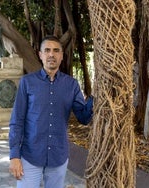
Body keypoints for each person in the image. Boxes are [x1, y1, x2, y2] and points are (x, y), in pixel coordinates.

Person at [9, 35, 93, 188]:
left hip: (58, 157)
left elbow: (83, 117)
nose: (51, 54)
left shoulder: (71, 85)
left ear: (61, 56)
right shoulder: (27, 82)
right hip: (30, 156)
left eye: (56, 51)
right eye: (47, 50)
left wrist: (96, 97)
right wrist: (14, 156)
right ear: (40, 55)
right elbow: (17, 121)